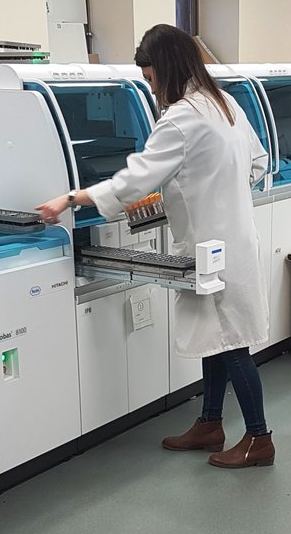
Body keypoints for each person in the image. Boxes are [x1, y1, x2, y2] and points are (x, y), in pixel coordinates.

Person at [36, 24, 274, 469]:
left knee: (233, 339)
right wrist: (213, 192)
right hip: (233, 237)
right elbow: (258, 162)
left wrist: (71, 198)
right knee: (217, 333)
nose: (149, 86)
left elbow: (134, 180)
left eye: (148, 77)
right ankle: (210, 423)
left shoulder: (182, 117)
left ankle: (260, 439)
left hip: (212, 243)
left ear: (164, 69)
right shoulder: (226, 104)